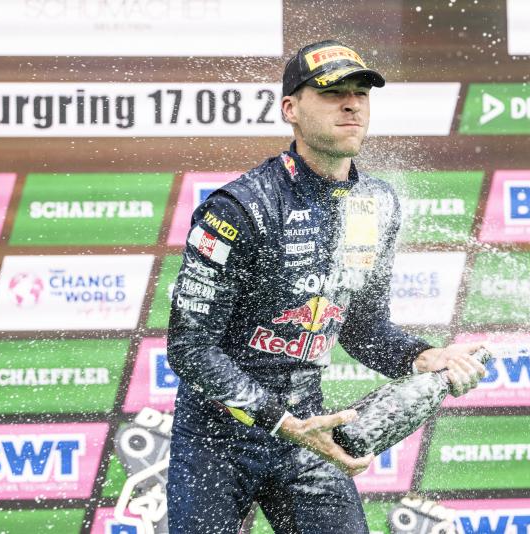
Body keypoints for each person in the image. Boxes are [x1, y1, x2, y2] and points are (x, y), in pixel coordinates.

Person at [165, 40, 487, 534]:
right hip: (217, 441)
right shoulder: (240, 207)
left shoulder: (377, 202)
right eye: (333, 92)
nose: (351, 104)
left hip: (310, 435)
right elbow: (190, 349)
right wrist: (284, 422)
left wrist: (425, 357)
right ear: (290, 109)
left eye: (360, 93)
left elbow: (364, 328)